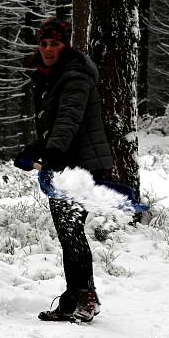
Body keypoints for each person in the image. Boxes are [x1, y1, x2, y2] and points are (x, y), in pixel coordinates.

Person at [15, 17, 114, 322]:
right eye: (43, 44)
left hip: (83, 167)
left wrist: (52, 154)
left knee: (71, 232)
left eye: (54, 44)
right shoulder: (52, 76)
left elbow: (68, 120)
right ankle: (78, 298)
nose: (47, 49)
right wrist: (36, 149)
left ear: (65, 45)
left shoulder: (74, 76)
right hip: (71, 164)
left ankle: (83, 299)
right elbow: (54, 125)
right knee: (69, 232)